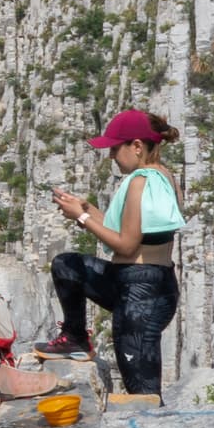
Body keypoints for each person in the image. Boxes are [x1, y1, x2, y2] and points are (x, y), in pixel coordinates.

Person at [45, 109, 183, 400]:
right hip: (137, 282)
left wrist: (82, 220)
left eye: (114, 148)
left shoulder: (140, 182)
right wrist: (85, 210)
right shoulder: (164, 179)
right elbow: (127, 230)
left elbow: (127, 245)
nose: (110, 156)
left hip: (142, 295)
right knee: (66, 265)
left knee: (143, 394)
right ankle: (75, 338)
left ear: (136, 146)